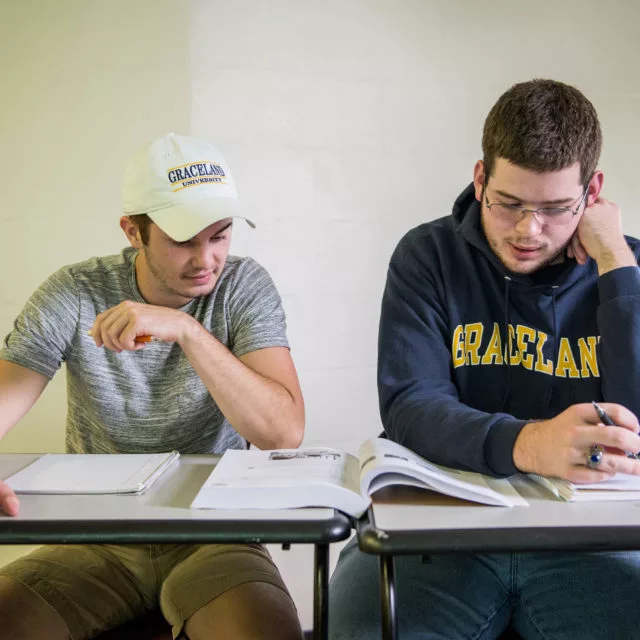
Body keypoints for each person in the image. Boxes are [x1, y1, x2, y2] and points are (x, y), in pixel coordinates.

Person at [329, 79, 640, 639]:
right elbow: (410, 404)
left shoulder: (627, 273)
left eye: (555, 208)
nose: (528, 229)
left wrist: (616, 263)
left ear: (592, 193)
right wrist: (530, 444)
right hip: (443, 533)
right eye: (509, 203)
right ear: (480, 179)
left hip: (595, 539)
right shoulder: (428, 255)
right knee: (360, 624)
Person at [0, 133, 306, 640]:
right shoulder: (74, 291)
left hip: (216, 533)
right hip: (95, 537)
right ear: (133, 231)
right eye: (184, 240)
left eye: (221, 235)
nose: (207, 260)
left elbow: (283, 432)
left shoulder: (243, 286)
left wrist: (187, 330)